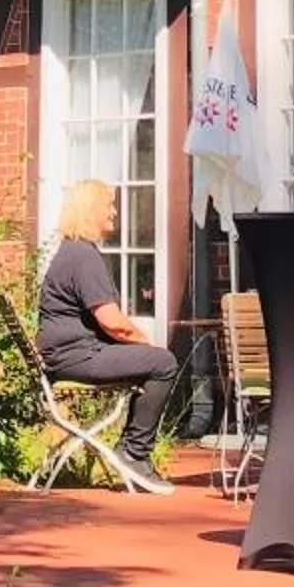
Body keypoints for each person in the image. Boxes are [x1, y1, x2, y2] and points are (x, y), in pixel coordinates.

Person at [36, 177, 178, 495]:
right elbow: (113, 323)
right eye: (109, 205)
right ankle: (134, 453)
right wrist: (147, 344)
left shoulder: (72, 252)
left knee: (153, 360)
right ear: (91, 210)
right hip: (76, 357)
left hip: (67, 356)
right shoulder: (82, 256)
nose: (114, 212)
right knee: (163, 362)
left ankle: (131, 449)